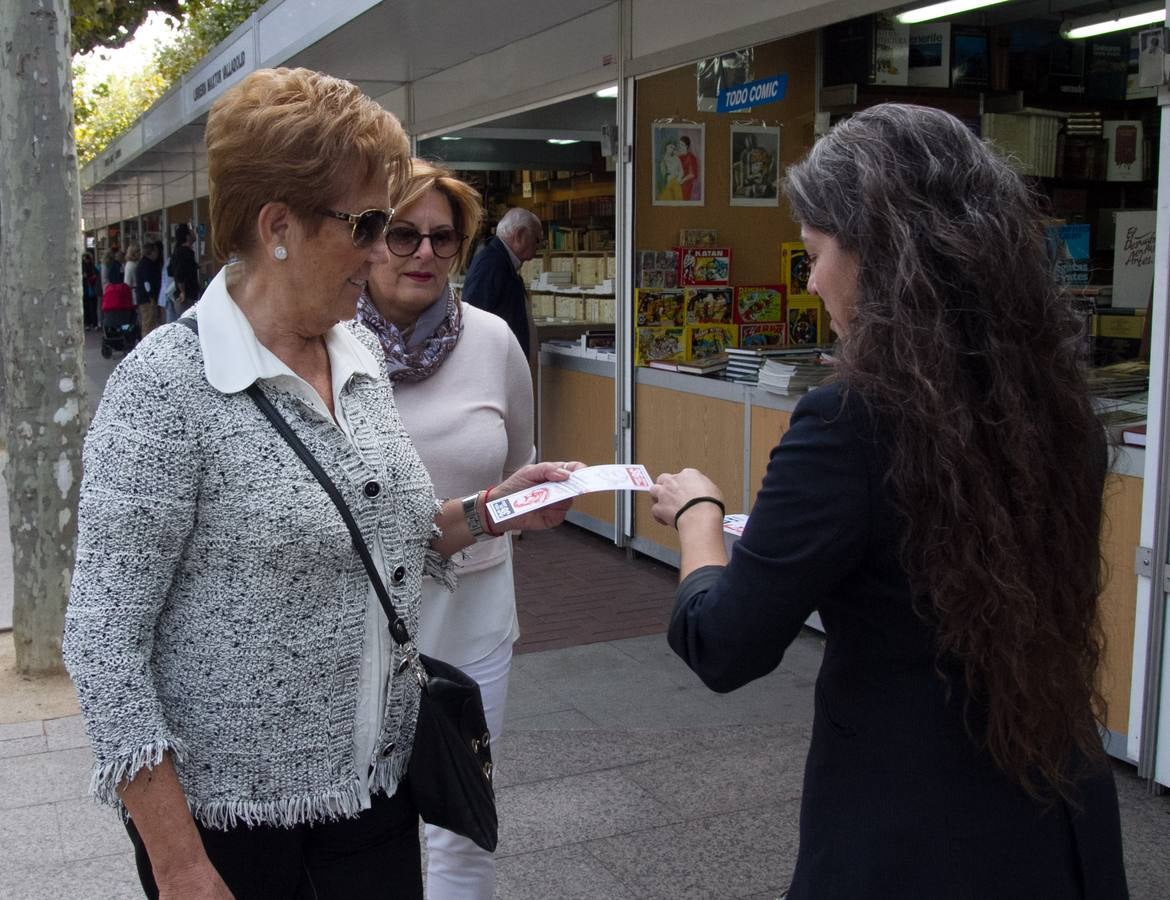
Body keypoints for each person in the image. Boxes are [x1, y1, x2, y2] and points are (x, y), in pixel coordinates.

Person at [63, 67, 581, 900]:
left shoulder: (357, 354)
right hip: (235, 830)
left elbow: (400, 530)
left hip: (376, 791)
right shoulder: (166, 387)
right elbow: (102, 642)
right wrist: (179, 863)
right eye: (368, 224)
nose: (384, 250)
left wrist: (496, 510)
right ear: (278, 227)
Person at [649, 103, 1128, 899]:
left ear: (879, 253)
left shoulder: (848, 421)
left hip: (907, 832)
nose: (809, 283)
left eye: (813, 254)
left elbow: (724, 643)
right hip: (1058, 814)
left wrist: (700, 520)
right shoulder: (1060, 406)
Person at [355, 159, 532, 900]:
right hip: (357, 628)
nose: (424, 254)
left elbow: (519, 456)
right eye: (402, 235)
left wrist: (529, 498)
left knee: (463, 826)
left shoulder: (493, 342)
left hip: (474, 621)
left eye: (442, 238)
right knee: (363, 825)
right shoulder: (325, 347)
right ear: (366, 239)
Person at [461, 206, 542, 361]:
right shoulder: (491, 264)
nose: (539, 246)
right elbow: (474, 314)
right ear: (520, 235)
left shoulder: (501, 262)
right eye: (536, 239)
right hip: (495, 363)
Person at [169, 222, 201, 312]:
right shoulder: (184, 253)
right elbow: (179, 273)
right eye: (191, 231)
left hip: (188, 294)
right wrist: (182, 291)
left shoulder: (177, 251)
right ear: (187, 237)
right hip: (186, 297)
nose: (194, 233)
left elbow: (170, 270)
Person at [135, 241, 163, 337]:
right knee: (148, 323)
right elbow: (147, 283)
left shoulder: (143, 263)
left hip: (144, 298)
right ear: (152, 252)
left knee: (149, 323)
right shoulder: (147, 265)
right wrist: (151, 296)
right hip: (148, 299)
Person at [81, 251, 101, 330]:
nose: (86, 260)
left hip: (87, 289)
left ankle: (89, 323)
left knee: (88, 307)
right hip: (91, 289)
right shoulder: (92, 267)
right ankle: (93, 323)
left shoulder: (84, 267)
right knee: (92, 307)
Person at [677, 135, 699, 201]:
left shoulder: (691, 157)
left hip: (686, 185)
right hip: (677, 182)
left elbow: (693, 174)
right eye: (679, 144)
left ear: (686, 146)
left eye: (681, 145)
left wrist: (682, 180)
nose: (680, 146)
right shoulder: (679, 157)